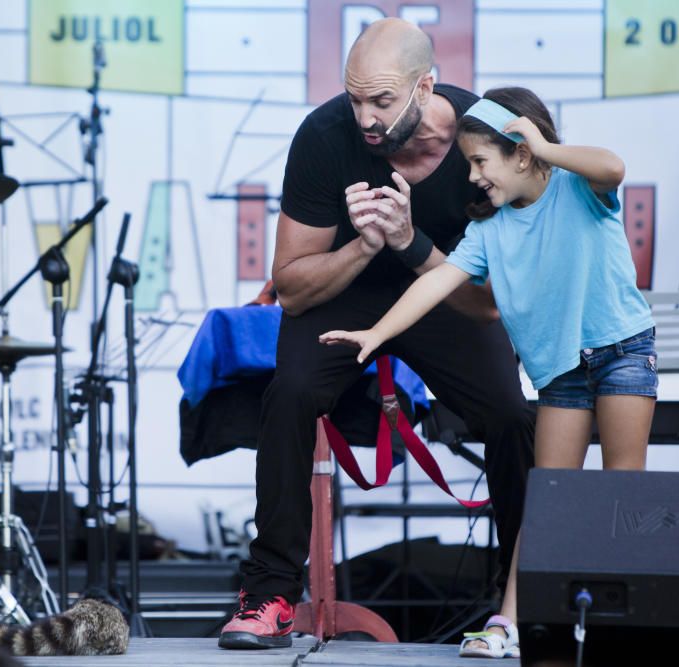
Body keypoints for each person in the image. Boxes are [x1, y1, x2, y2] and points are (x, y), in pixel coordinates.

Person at [218, 18, 535, 650]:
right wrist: (366, 247)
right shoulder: (325, 135)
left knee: (510, 413)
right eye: (355, 97)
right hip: (347, 286)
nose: (365, 116)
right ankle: (271, 593)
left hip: (445, 286)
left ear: (425, 87)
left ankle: (522, 597)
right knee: (290, 392)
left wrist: (408, 242)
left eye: (382, 101)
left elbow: (492, 305)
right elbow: (293, 285)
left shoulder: (484, 134)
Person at [320, 86, 657, 658]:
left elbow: (614, 166)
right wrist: (378, 332)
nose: (473, 176)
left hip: (622, 350)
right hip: (561, 374)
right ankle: (509, 621)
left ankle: (624, 619)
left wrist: (546, 145)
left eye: (480, 161)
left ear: (522, 154)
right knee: (546, 501)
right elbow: (435, 282)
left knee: (620, 493)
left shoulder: (579, 188)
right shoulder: (489, 230)